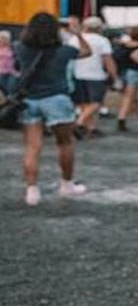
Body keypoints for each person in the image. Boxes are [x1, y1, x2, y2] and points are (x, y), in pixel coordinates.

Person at [14, 12, 91, 205]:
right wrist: (78, 33)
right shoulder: (64, 51)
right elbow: (86, 51)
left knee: (32, 147)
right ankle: (67, 184)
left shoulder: (20, 48)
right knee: (64, 143)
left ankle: (32, 191)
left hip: (29, 100)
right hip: (57, 98)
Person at [70, 16, 116, 139]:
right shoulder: (102, 41)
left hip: (77, 73)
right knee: (96, 102)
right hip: (96, 74)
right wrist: (113, 74)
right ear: (99, 28)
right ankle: (80, 122)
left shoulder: (74, 39)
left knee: (84, 103)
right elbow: (107, 59)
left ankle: (90, 128)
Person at [114, 25, 138, 132]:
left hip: (124, 72)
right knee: (130, 97)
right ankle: (121, 118)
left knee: (133, 97)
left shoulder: (124, 45)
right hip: (135, 72)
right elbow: (136, 57)